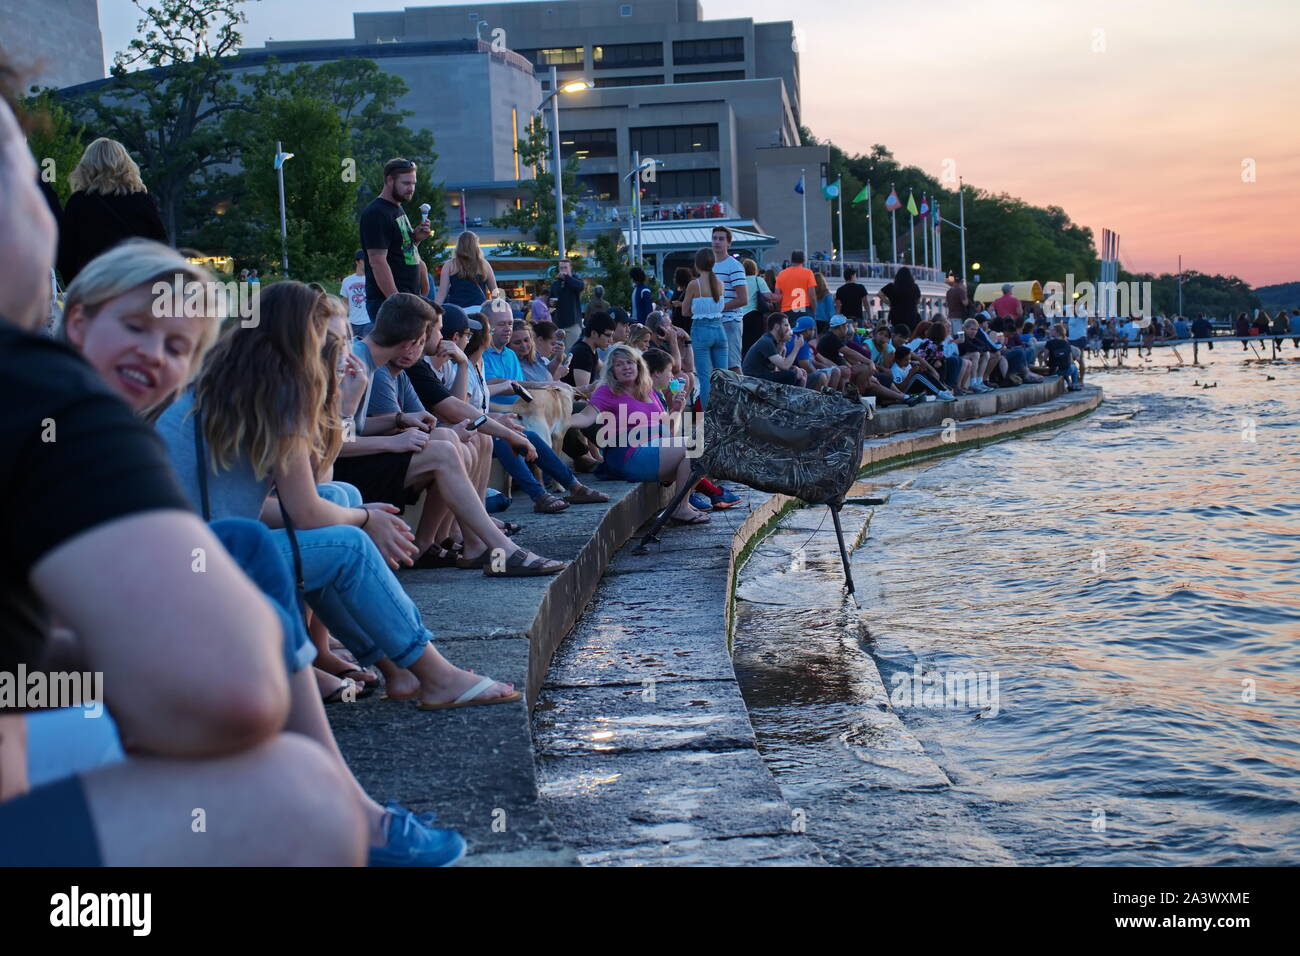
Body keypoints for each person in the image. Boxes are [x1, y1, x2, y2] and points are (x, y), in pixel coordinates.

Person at [0, 85, 371, 865]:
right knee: (302, 804)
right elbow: (226, 694)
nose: (155, 357)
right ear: (75, 319)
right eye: (14, 168)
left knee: (242, 553)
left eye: (178, 346)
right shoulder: (48, 398)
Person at [332, 294, 565, 575]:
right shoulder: (355, 367)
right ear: (413, 343)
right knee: (443, 449)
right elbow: (331, 444)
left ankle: (472, 544)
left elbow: (346, 429)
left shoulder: (369, 362)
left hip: (348, 466)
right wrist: (393, 440)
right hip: (337, 477)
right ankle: (501, 550)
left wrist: (399, 419)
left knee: (447, 439)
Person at [571, 345, 707, 525]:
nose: (626, 367)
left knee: (701, 445)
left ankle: (682, 504)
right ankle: (680, 507)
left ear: (639, 366)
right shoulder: (607, 390)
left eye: (630, 362)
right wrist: (559, 421)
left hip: (655, 447)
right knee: (696, 445)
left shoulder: (648, 388)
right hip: (629, 453)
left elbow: (667, 430)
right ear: (612, 370)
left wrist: (676, 409)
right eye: (619, 364)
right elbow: (585, 417)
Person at [56, 137, 168, 285]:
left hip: (94, 286)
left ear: (86, 166)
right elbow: (160, 246)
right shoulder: (141, 199)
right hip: (135, 284)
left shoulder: (78, 203)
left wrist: (77, 287)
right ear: (125, 164)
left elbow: (65, 254)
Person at [359, 157, 432, 324]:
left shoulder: (397, 208)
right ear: (389, 180)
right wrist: (397, 301)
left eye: (413, 183)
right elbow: (377, 261)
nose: (411, 189)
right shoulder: (377, 213)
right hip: (389, 304)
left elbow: (401, 251)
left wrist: (416, 239)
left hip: (407, 300)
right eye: (406, 183)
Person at [682, 247, 729, 406]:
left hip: (701, 330)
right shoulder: (720, 284)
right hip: (719, 330)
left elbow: (685, 311)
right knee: (723, 377)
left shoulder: (694, 285)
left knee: (704, 377)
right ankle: (724, 415)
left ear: (697, 264)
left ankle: (707, 420)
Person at [710, 226, 749, 371]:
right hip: (713, 322)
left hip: (730, 322)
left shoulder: (734, 266)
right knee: (717, 368)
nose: (717, 242)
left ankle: (741, 393)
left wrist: (717, 307)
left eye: (721, 239)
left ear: (728, 243)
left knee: (733, 366)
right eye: (714, 238)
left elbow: (743, 299)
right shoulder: (710, 265)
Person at [435, 230, 497, 310]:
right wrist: (500, 310)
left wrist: (434, 311)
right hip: (479, 309)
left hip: (458, 310)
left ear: (459, 245)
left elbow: (442, 293)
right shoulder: (484, 264)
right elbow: (495, 292)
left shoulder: (450, 265)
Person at [742, 312, 806, 386]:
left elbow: (780, 368)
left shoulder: (776, 343)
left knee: (797, 373)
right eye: (786, 325)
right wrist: (796, 347)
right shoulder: (766, 341)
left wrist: (794, 368)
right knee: (790, 375)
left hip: (763, 376)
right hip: (753, 379)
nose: (789, 329)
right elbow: (784, 366)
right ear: (777, 327)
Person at [563, 311, 615, 391]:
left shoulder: (589, 348)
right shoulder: (583, 354)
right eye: (608, 335)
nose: (611, 340)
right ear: (594, 333)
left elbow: (605, 370)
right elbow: (584, 394)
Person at [890, 345, 955, 401]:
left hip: (913, 390)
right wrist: (910, 374)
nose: (908, 361)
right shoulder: (895, 370)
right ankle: (939, 393)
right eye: (906, 360)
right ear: (898, 360)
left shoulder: (907, 364)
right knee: (917, 376)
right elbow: (900, 388)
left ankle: (944, 390)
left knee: (924, 372)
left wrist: (919, 370)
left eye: (909, 359)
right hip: (904, 393)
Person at [549, 258, 584, 340]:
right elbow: (551, 304)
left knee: (572, 351)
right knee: (559, 350)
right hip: (559, 326)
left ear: (570, 268)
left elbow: (580, 286)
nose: (563, 270)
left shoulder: (575, 280)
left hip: (573, 324)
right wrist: (553, 317)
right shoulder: (555, 284)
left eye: (565, 267)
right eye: (561, 268)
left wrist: (567, 278)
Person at [879, 266, 922, 333]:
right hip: (911, 316)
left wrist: (889, 303)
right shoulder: (914, 287)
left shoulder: (892, 286)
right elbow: (918, 301)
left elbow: (880, 294)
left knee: (897, 333)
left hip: (896, 315)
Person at [775, 251, 816, 317]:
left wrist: (779, 310)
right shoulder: (808, 273)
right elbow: (812, 295)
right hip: (804, 309)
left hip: (787, 310)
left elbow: (777, 296)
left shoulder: (781, 274)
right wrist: (814, 311)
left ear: (791, 260)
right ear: (803, 260)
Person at [340, 249, 369, 336]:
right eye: (365, 260)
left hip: (368, 322)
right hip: (352, 323)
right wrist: (343, 320)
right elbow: (345, 303)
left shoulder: (372, 279)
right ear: (358, 262)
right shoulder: (347, 281)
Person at [1045, 323, 1081, 389]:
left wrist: (1048, 363)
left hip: (1053, 370)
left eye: (1053, 330)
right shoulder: (1066, 343)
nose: (1051, 331)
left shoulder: (1049, 343)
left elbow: (1045, 357)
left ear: (1057, 332)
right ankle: (1074, 385)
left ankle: (1069, 384)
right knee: (1074, 368)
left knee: (1063, 366)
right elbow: (1070, 360)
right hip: (1064, 370)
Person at [670, 265, 693, 334]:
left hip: (686, 321)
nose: (673, 279)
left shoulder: (689, 289)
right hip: (676, 321)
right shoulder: (676, 289)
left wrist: (680, 304)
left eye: (675, 277)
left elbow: (693, 306)